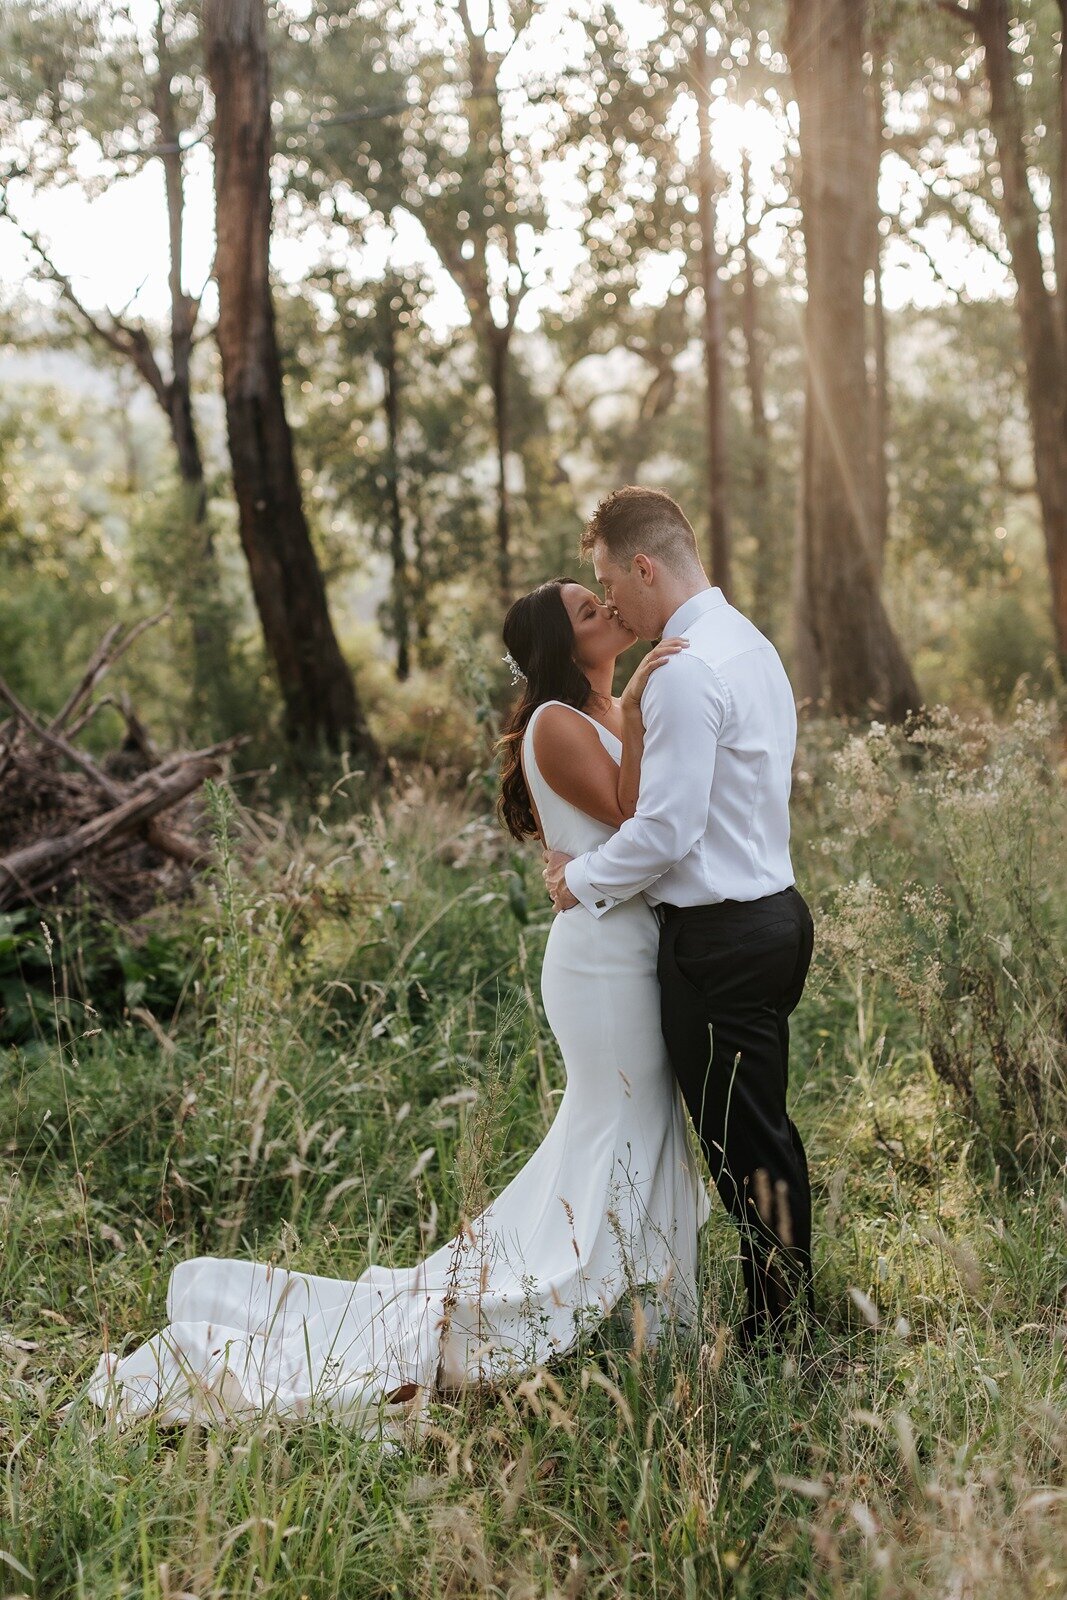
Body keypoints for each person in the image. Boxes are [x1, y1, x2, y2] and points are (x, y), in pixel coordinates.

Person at [85, 577, 710, 1433]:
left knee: (637, 1125)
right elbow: (634, 810)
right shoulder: (556, 722)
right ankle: (534, 1313)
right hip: (600, 962)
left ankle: (663, 1318)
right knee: (622, 1122)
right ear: (559, 648)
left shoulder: (593, 713)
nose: (605, 609)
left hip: (632, 943)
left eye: (600, 599)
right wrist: (637, 707)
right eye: (585, 610)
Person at [545, 486, 815, 1350]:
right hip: (773, 916)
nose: (609, 601)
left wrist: (577, 879)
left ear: (642, 565)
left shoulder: (684, 668)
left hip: (719, 941)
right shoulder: (748, 644)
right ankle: (782, 1316)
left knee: (746, 1151)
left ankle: (779, 1337)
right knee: (759, 1131)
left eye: (605, 581)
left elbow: (664, 832)